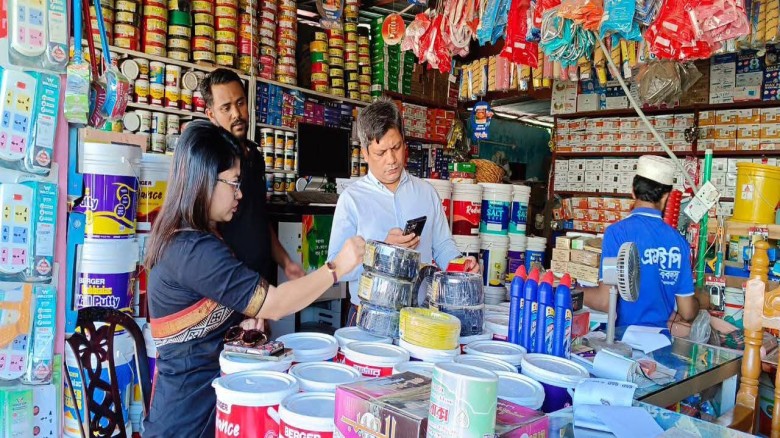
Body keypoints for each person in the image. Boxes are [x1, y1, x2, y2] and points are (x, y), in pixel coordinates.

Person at [142, 121, 365, 437]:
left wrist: (236, 329)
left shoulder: (191, 238)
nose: (240, 193)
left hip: (202, 404)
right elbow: (274, 304)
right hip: (188, 419)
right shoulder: (193, 250)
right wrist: (336, 268)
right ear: (204, 181)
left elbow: (201, 325)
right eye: (233, 183)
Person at [328, 98, 479, 325]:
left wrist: (461, 265)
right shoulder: (352, 199)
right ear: (365, 153)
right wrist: (383, 253)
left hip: (420, 316)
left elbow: (443, 246)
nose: (392, 160)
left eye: (396, 147)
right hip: (369, 316)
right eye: (380, 153)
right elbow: (335, 268)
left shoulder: (426, 193)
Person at [200, 68, 305, 284]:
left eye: (240, 103)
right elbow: (203, 229)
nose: (236, 114)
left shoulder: (254, 156)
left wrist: (286, 262)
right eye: (226, 108)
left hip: (261, 277)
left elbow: (258, 217)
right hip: (230, 283)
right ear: (211, 114)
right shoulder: (208, 162)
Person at [583, 155, 699, 329]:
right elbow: (687, 312)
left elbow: (605, 301)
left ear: (633, 191)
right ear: (666, 197)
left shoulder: (617, 233)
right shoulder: (678, 242)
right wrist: (702, 301)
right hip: (662, 343)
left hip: (622, 340)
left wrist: (569, 290)